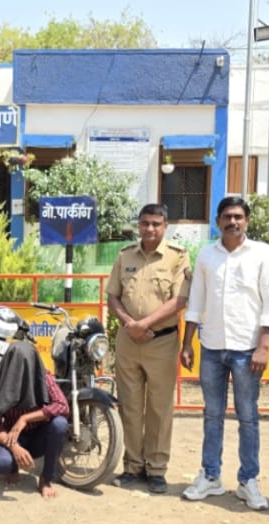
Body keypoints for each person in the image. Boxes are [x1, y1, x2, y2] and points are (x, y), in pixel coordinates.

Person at [179, 196, 269, 510]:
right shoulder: (207, 255)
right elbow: (196, 300)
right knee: (212, 415)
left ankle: (248, 481)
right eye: (227, 217)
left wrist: (264, 346)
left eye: (238, 217)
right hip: (211, 347)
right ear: (218, 221)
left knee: (248, 416)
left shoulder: (263, 253)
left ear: (246, 221)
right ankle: (210, 476)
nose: (233, 222)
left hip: (248, 349)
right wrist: (187, 343)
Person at [106, 203, 190, 494]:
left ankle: (156, 469)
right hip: (128, 341)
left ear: (165, 226)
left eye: (156, 223)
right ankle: (132, 467)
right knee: (129, 406)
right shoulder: (125, 255)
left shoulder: (177, 257)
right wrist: (130, 324)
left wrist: (144, 324)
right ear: (138, 225)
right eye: (145, 223)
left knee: (159, 408)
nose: (150, 228)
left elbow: (179, 300)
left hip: (161, 342)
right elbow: (113, 296)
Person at [0, 341, 69, 499]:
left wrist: (25, 418)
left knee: (60, 424)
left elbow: (62, 405)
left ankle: (46, 479)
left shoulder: (43, 378)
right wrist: (14, 447)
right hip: (11, 437)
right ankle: (12, 469)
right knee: (3, 464)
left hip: (38, 435)